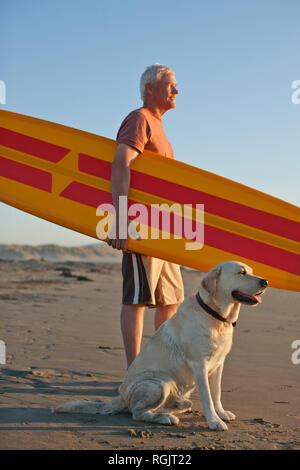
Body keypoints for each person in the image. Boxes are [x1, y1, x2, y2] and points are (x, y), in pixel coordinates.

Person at [108, 64, 184, 368]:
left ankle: (160, 364)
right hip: (141, 225)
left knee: (171, 298)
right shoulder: (139, 119)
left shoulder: (159, 126)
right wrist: (121, 219)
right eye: (171, 85)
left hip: (164, 228)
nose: (177, 91)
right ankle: (135, 370)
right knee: (137, 298)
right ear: (149, 88)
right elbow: (120, 164)